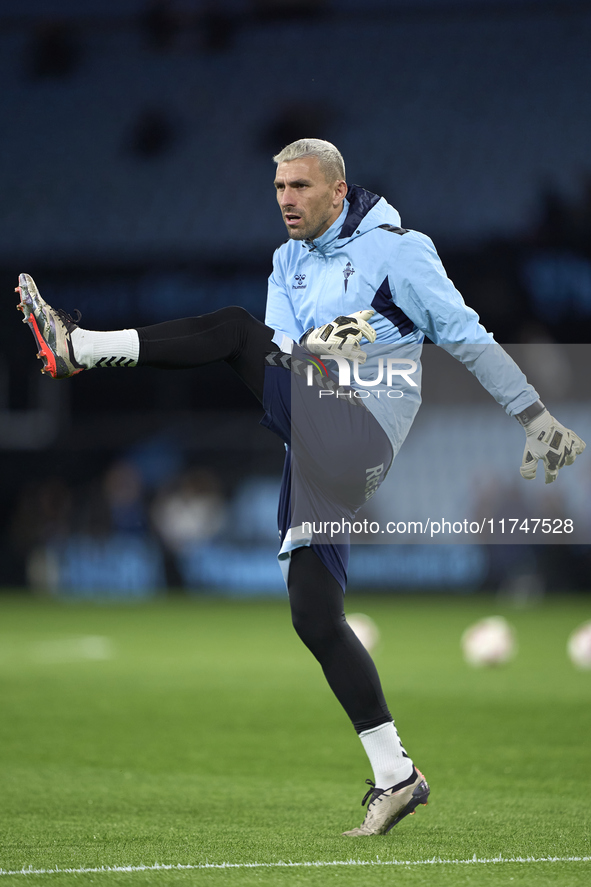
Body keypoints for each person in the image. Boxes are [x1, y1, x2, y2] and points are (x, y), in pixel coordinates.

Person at [15, 138, 585, 837]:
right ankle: (396, 776)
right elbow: (281, 356)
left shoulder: (399, 250)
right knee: (314, 614)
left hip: (362, 433)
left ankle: (79, 348)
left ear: (337, 192)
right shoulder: (286, 262)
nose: (285, 198)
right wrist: (319, 346)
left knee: (228, 328)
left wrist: (532, 415)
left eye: (300, 187)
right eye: (279, 187)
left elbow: (464, 335)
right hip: (312, 436)